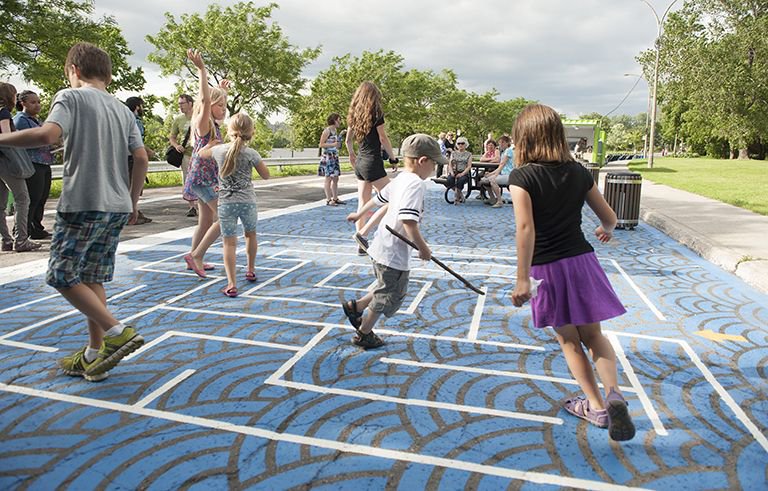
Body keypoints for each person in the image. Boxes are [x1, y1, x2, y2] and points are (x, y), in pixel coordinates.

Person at [0, 42, 149, 381]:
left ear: (74, 70)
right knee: (92, 277)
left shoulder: (70, 96)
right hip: (116, 205)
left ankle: (117, 332)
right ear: (108, 75)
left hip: (83, 202)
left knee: (61, 275)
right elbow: (140, 157)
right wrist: (133, 201)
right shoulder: (123, 110)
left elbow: (47, 134)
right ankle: (95, 355)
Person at [508, 104, 635, 442]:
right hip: (582, 262)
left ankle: (596, 406)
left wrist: (522, 278)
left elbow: (525, 228)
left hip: (546, 269)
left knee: (569, 340)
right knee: (594, 335)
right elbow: (609, 217)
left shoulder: (522, 177)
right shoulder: (579, 172)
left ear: (524, 137)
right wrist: (606, 229)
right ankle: (614, 393)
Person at [342, 134, 445, 348]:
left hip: (382, 246)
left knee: (385, 285)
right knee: (390, 293)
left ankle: (356, 307)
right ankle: (364, 333)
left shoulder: (401, 179)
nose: (435, 168)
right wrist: (423, 248)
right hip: (393, 251)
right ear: (422, 161)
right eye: (434, 164)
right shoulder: (416, 184)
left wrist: (359, 213)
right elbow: (408, 220)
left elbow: (377, 199)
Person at [193, 113, 270, 296]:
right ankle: (250, 270)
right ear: (251, 132)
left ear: (229, 131)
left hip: (226, 203)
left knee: (229, 243)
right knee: (250, 235)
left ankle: (231, 284)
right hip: (248, 202)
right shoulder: (252, 153)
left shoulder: (219, 150)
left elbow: (200, 154)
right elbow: (266, 175)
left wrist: (209, 145)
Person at [182, 49, 229, 275]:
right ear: (209, 106)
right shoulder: (203, 123)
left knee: (206, 220)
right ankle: (196, 255)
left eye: (225, 106)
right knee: (225, 216)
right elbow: (205, 98)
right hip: (203, 179)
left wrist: (222, 91)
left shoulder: (215, 126)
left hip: (205, 178)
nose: (224, 110)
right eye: (221, 106)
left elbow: (213, 99)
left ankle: (193, 257)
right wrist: (202, 69)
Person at [345, 81, 398, 255]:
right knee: (394, 199)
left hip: (360, 162)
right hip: (373, 162)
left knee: (363, 202)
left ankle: (360, 244)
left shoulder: (353, 114)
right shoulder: (376, 113)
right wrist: (393, 158)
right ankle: (363, 233)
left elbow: (348, 140)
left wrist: (352, 154)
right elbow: (383, 138)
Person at [0, 82, 39, 252]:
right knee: (22, 199)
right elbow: (6, 136)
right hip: (7, 161)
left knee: (1, 204)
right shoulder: (3, 112)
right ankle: (21, 240)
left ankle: (6, 240)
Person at [125, 96, 153, 225]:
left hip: (124, 156)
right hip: (132, 156)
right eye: (141, 106)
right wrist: (147, 151)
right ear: (137, 106)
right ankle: (131, 212)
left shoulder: (123, 117)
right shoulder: (134, 120)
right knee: (133, 185)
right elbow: (136, 141)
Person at [169, 93, 197, 217]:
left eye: (182, 103)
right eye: (179, 104)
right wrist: (176, 146)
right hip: (186, 154)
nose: (180, 106)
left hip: (200, 154)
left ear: (190, 103)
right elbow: (172, 137)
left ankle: (204, 204)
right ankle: (192, 206)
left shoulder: (200, 116)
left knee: (201, 179)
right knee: (187, 179)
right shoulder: (178, 119)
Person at [318, 113, 345, 206]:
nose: (340, 122)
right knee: (328, 178)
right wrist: (333, 145)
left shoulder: (335, 131)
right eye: (339, 120)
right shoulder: (327, 131)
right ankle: (329, 199)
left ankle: (335, 198)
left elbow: (336, 143)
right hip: (328, 157)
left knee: (336, 178)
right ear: (334, 120)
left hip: (334, 156)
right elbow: (321, 144)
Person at [481, 135, 514, 208]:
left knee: (492, 180)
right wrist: (490, 174)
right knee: (484, 180)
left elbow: (502, 165)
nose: (501, 144)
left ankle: (499, 201)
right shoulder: (503, 152)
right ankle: (492, 198)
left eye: (503, 142)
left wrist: (494, 175)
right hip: (502, 174)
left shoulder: (509, 151)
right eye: (500, 142)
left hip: (509, 175)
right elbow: (500, 167)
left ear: (507, 143)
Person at [445, 136, 472, 204]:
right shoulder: (453, 153)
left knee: (461, 180)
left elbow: (469, 166)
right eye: (459, 143)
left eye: (462, 143)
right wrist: (451, 172)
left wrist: (462, 174)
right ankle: (460, 194)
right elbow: (450, 164)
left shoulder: (469, 154)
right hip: (454, 171)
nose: (460, 145)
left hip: (463, 172)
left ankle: (456, 198)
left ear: (465, 144)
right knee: (449, 180)